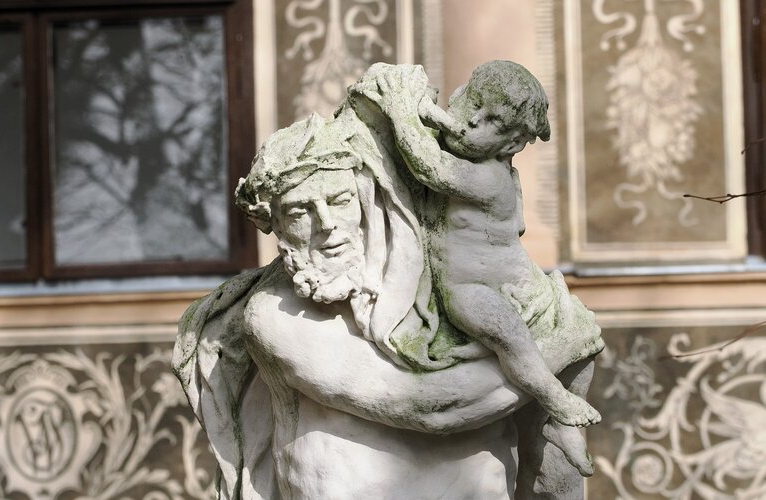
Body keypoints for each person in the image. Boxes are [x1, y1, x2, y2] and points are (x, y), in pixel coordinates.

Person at [173, 108, 603, 499]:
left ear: (366, 197)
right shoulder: (277, 316)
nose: (327, 226)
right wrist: (564, 344)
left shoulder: (435, 289)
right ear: (277, 226)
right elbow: (434, 407)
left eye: (339, 201)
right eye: (300, 211)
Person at [351, 62, 602, 475]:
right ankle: (558, 422)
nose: (469, 121)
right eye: (472, 101)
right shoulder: (473, 148)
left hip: (479, 291)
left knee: (516, 342)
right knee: (522, 344)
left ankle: (557, 404)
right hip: (488, 284)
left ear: (510, 145)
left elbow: (427, 166)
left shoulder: (487, 178)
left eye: (491, 122)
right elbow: (445, 133)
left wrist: (398, 110)